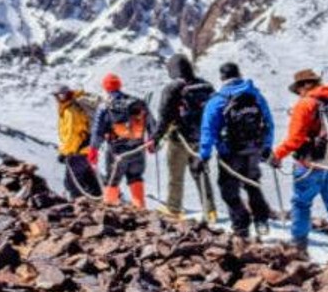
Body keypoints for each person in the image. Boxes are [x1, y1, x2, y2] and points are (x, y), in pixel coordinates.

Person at [272, 68, 328, 265]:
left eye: (298, 89)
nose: (298, 93)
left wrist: (277, 155)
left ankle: (299, 248)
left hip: (311, 163)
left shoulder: (306, 104)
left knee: (301, 204)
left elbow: (295, 138)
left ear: (303, 86)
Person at [198, 62, 274, 240]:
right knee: (252, 183)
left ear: (222, 78)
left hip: (229, 154)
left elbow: (208, 129)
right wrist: (266, 147)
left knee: (228, 190)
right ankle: (261, 220)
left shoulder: (218, 99)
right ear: (239, 74)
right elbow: (268, 122)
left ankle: (241, 226)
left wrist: (204, 154)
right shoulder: (256, 96)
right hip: (254, 149)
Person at [154, 54, 216, 221]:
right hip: (201, 139)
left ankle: (173, 209)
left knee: (176, 175)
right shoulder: (206, 86)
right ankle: (210, 210)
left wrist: (155, 139)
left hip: (179, 138)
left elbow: (164, 117)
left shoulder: (172, 88)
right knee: (201, 173)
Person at [88, 73, 155, 208]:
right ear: (119, 85)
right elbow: (152, 125)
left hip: (117, 153)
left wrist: (93, 150)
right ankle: (141, 209)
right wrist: (152, 142)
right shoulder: (138, 103)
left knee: (112, 181)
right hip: (138, 150)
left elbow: (98, 132)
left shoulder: (105, 106)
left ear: (106, 88)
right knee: (136, 178)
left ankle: (109, 211)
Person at [54, 86, 100, 200]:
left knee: (71, 183)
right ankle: (101, 202)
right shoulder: (73, 107)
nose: (58, 98)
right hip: (86, 150)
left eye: (60, 95)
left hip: (77, 152)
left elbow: (72, 135)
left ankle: (79, 206)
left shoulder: (70, 111)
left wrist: (65, 153)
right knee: (89, 179)